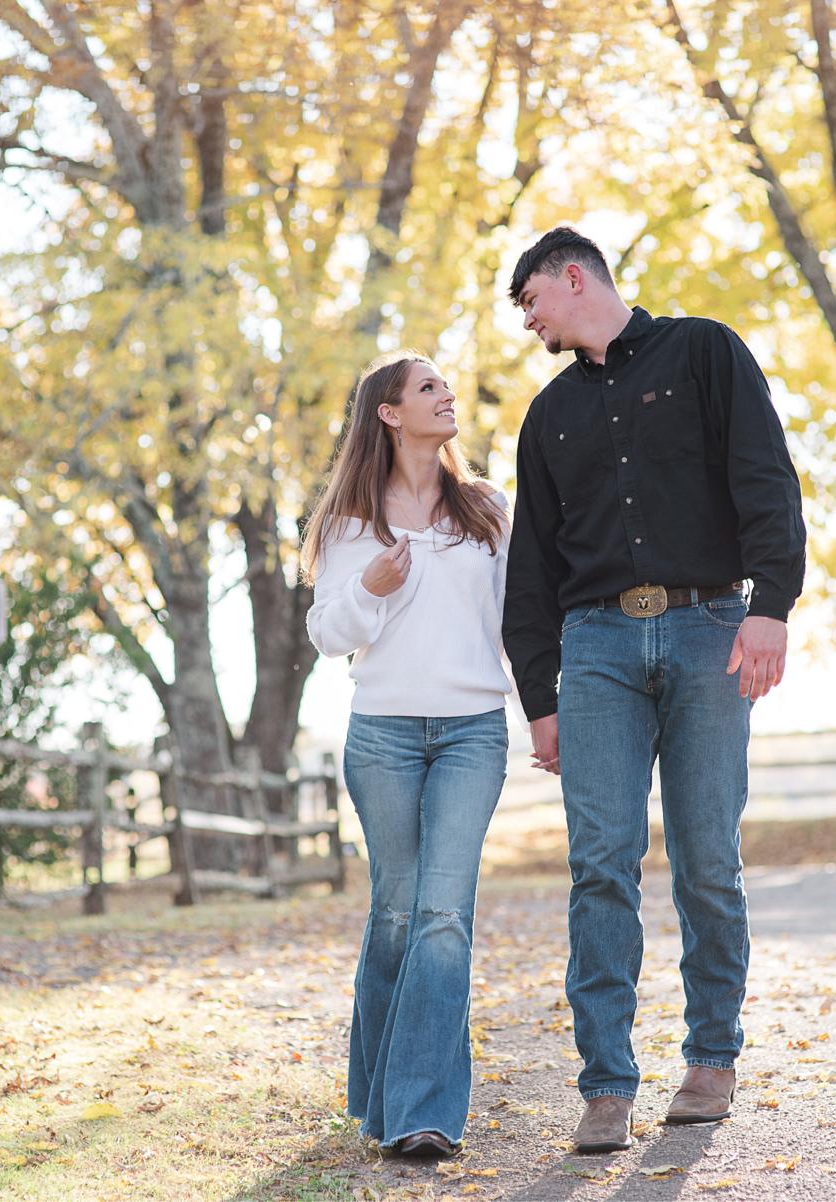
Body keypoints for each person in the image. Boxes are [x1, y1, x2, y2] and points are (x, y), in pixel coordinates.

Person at [500, 227, 806, 1153]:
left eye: (532, 302)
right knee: (601, 864)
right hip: (594, 647)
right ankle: (605, 1087)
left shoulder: (704, 351)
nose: (529, 322)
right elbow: (532, 568)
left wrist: (771, 605)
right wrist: (541, 698)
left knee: (708, 856)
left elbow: (766, 477)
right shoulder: (547, 416)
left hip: (710, 627)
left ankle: (712, 1060)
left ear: (573, 277)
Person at [303, 350, 512, 1160]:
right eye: (429, 387)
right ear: (389, 413)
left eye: (445, 385)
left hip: (471, 732)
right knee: (395, 913)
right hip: (384, 735)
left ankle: (422, 1112)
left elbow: (517, 621)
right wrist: (370, 591)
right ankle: (378, 1097)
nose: (447, 395)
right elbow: (328, 635)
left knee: (443, 915)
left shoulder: (488, 510)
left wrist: (547, 712)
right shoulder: (348, 521)